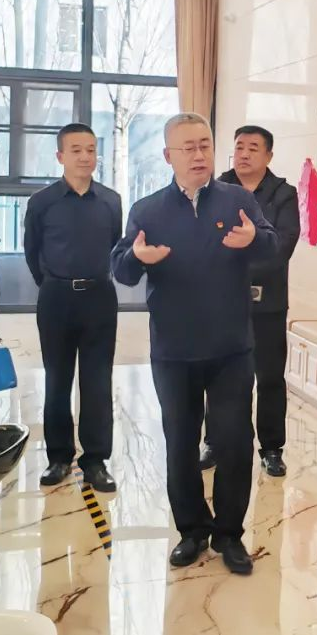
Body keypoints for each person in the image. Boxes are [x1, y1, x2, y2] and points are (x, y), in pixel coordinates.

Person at [111, 113, 278, 575]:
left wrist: (253, 239)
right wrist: (137, 256)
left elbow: (272, 245)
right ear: (169, 156)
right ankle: (191, 530)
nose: (199, 154)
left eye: (205, 144)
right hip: (173, 350)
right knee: (180, 444)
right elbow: (121, 267)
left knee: (234, 442)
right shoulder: (148, 210)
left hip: (230, 348)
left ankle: (229, 534)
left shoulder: (238, 199)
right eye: (188, 147)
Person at [24, 123, 122, 493]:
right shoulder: (42, 202)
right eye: (77, 150)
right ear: (60, 156)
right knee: (57, 379)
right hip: (56, 298)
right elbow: (32, 252)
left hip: (99, 296)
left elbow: (115, 244)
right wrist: (54, 283)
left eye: (91, 150)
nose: (85, 157)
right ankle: (59, 457)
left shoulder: (111, 201)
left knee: (97, 381)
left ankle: (96, 460)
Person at [198, 125, 299, 477]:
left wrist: (237, 266)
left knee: (269, 378)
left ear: (268, 155)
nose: (243, 154)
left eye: (253, 148)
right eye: (239, 146)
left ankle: (271, 448)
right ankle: (215, 441)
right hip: (221, 303)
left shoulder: (283, 193)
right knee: (220, 376)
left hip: (268, 302)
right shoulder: (215, 188)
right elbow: (205, 242)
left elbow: (282, 245)